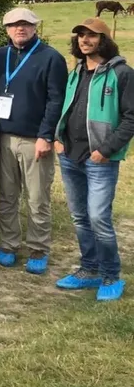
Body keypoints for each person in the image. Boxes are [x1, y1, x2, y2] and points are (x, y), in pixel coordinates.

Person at [54, 18, 134, 301]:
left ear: (105, 40)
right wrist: (58, 138)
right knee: (79, 218)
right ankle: (89, 270)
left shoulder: (122, 73)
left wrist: (107, 149)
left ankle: (111, 275)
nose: (85, 40)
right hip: (70, 155)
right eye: (80, 36)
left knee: (99, 217)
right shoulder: (76, 71)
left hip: (100, 159)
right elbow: (67, 107)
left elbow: (130, 118)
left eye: (91, 36)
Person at [0, 7, 67, 274]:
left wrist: (46, 135)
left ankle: (38, 248)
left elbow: (56, 100)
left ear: (35, 27)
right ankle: (9, 244)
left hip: (36, 140)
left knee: (37, 197)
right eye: (13, 25)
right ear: (6, 29)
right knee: (7, 196)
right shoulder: (0, 57)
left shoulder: (51, 58)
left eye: (25, 24)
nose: (19, 29)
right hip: (4, 138)